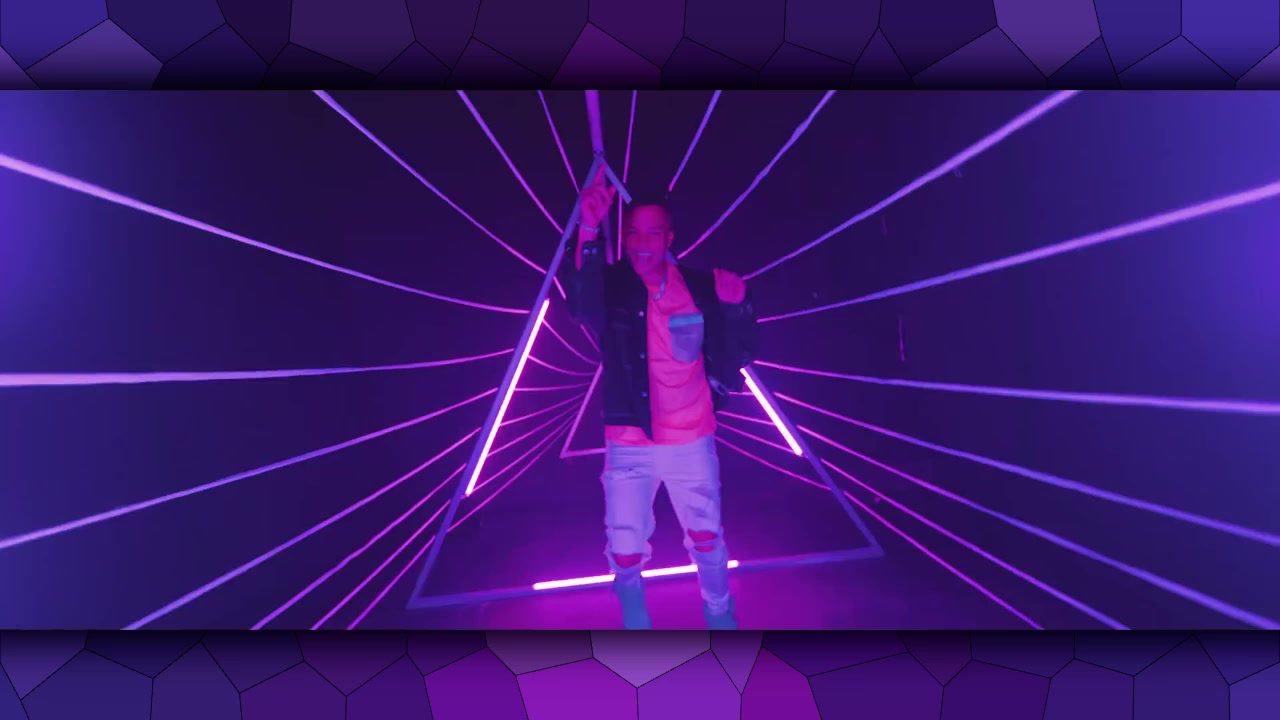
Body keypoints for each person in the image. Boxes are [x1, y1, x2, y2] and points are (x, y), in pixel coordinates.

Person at [565, 167, 758, 630]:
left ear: (669, 238)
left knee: (706, 538)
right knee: (624, 547)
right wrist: (588, 227)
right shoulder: (614, 286)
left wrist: (736, 310)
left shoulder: (700, 286)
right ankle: (635, 618)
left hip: (691, 438)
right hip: (629, 438)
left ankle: (719, 614)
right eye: (633, 233)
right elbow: (581, 305)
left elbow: (740, 352)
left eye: (653, 233)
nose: (642, 243)